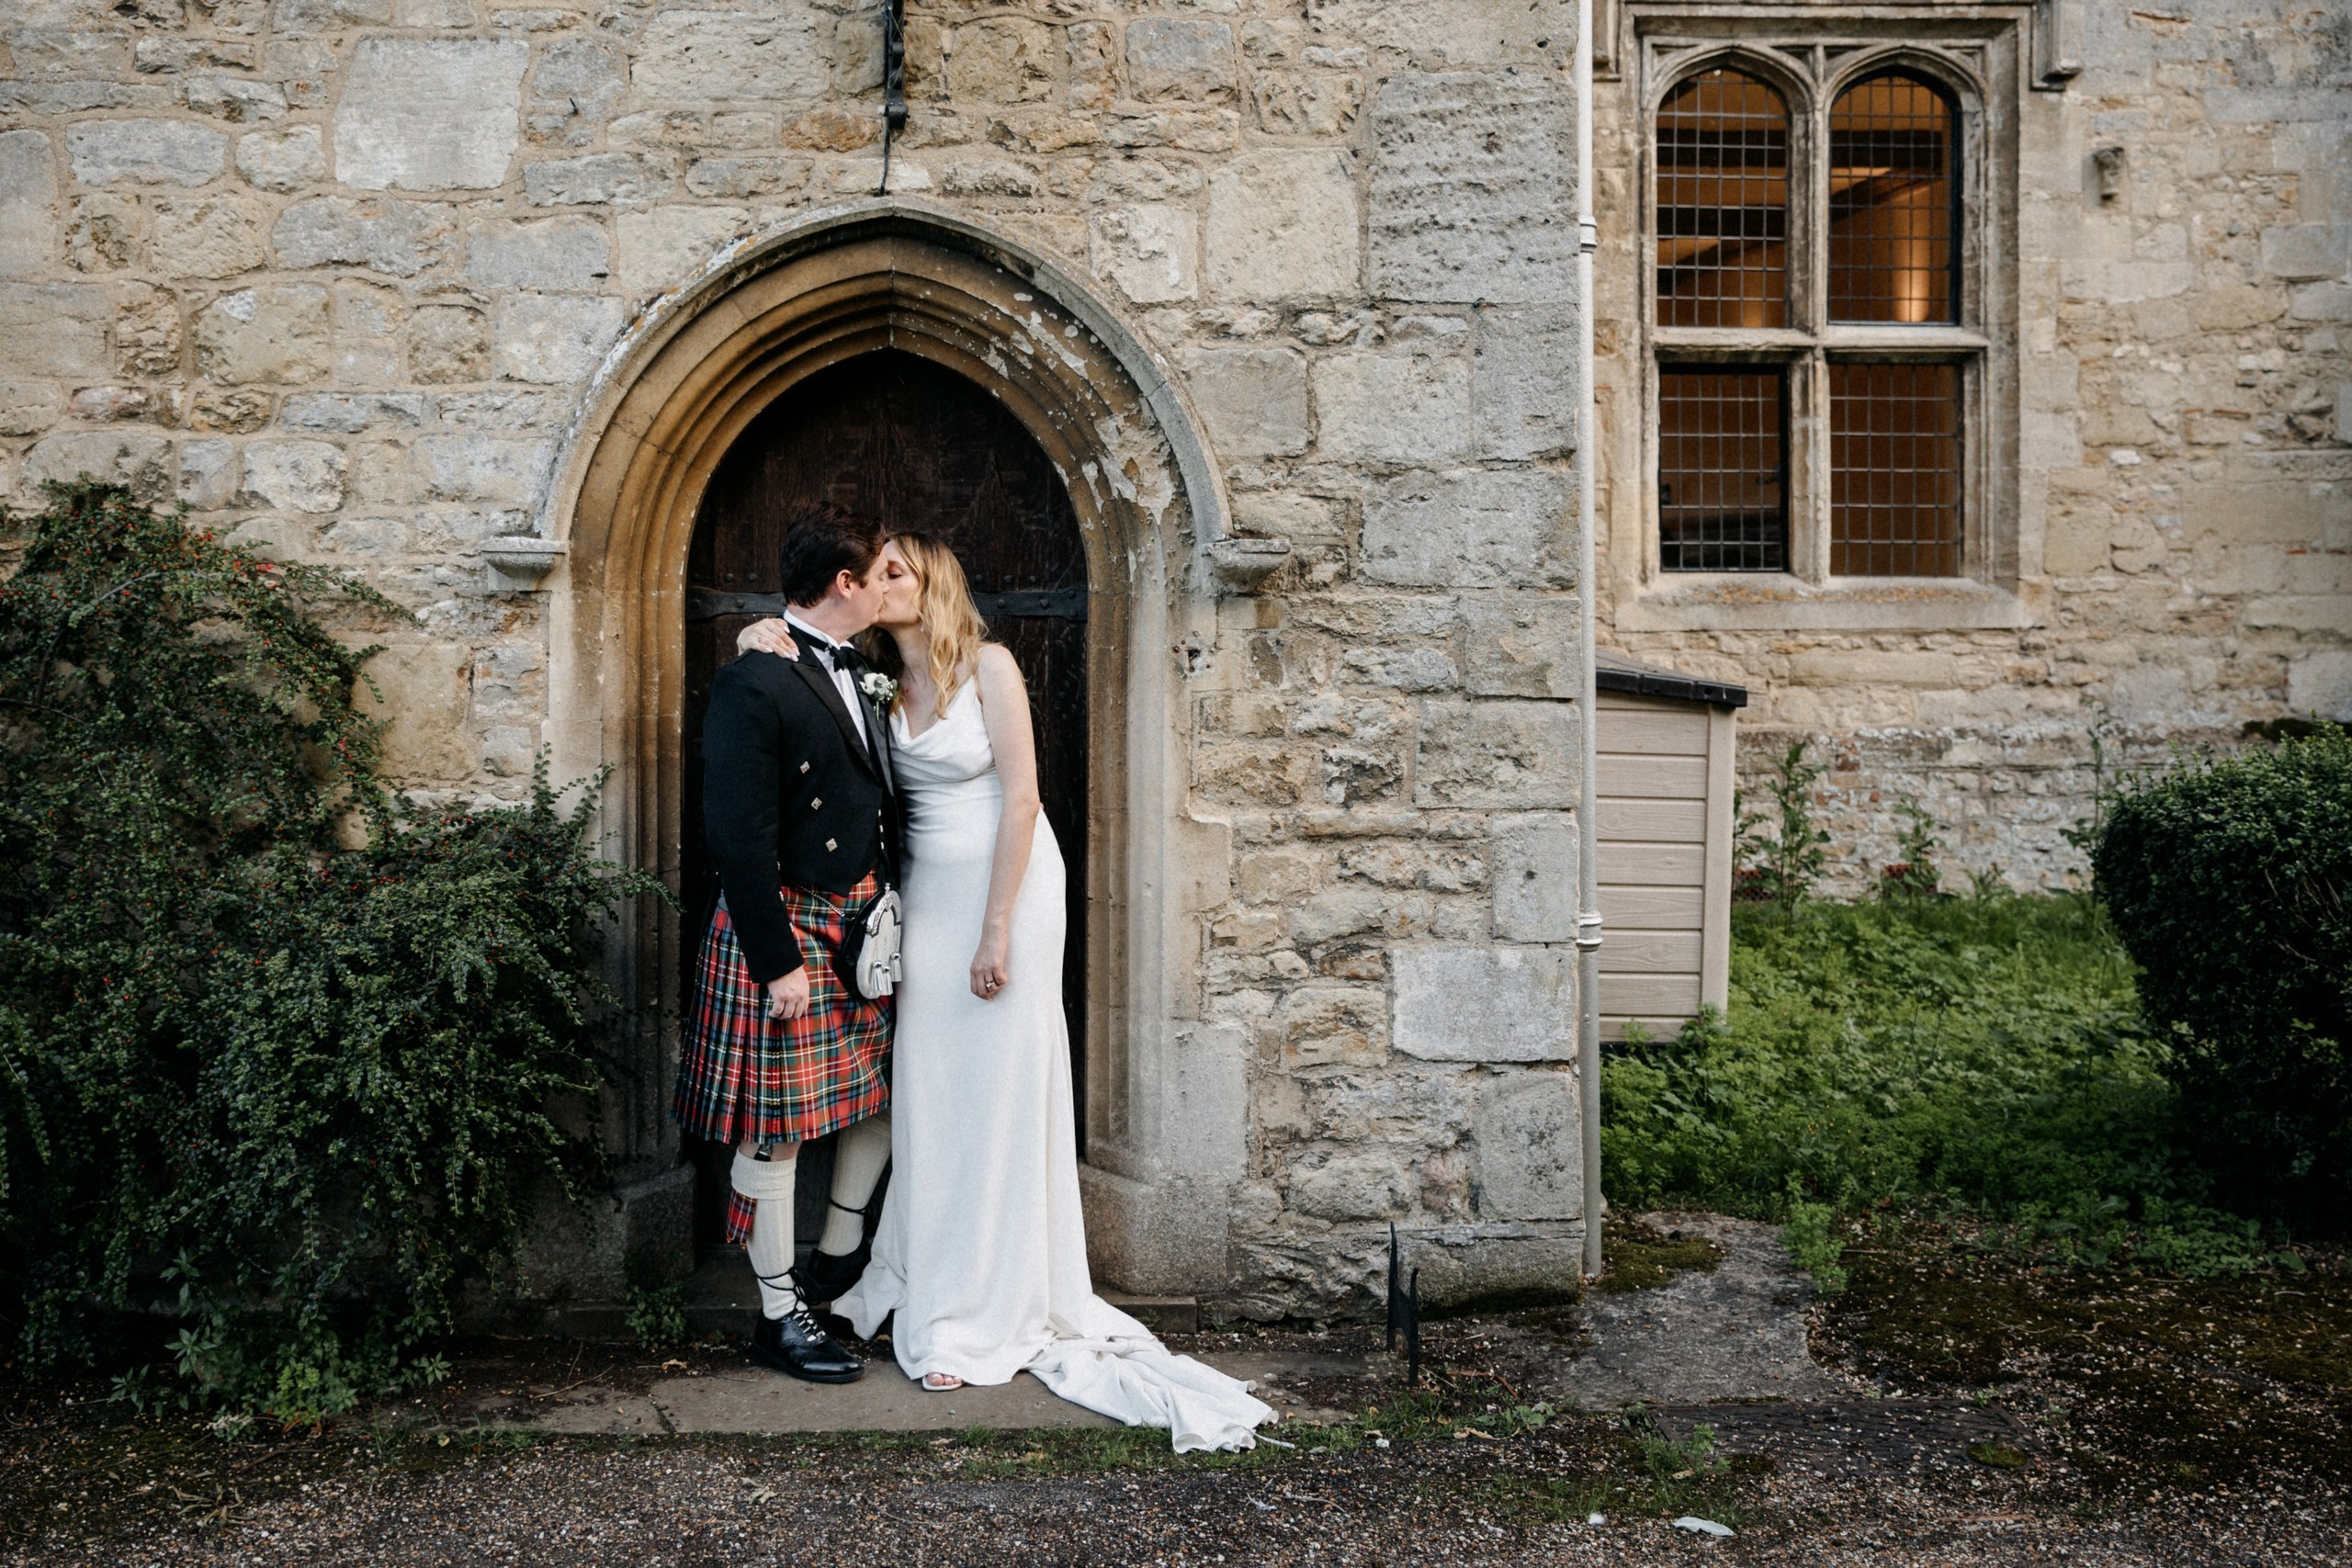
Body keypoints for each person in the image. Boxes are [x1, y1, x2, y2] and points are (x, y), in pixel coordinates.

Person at [737, 535, 1272, 1452]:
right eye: (870, 574)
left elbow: (1022, 797)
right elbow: (791, 667)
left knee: (998, 1093)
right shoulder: (871, 682)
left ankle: (982, 1306)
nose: (876, 584)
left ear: (934, 582)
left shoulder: (989, 666)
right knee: (933, 1092)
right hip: (924, 900)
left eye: (894, 571)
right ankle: (923, 1278)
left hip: (1008, 894)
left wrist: (995, 930)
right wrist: (758, 636)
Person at [676, 502, 902, 1384]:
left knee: (880, 1097)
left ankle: (835, 1260)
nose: (890, 584)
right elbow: (735, 835)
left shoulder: (864, 666)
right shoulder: (754, 680)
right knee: (776, 1131)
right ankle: (778, 1314)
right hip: (788, 927)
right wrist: (776, 962)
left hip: (857, 927)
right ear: (845, 583)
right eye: (882, 572)